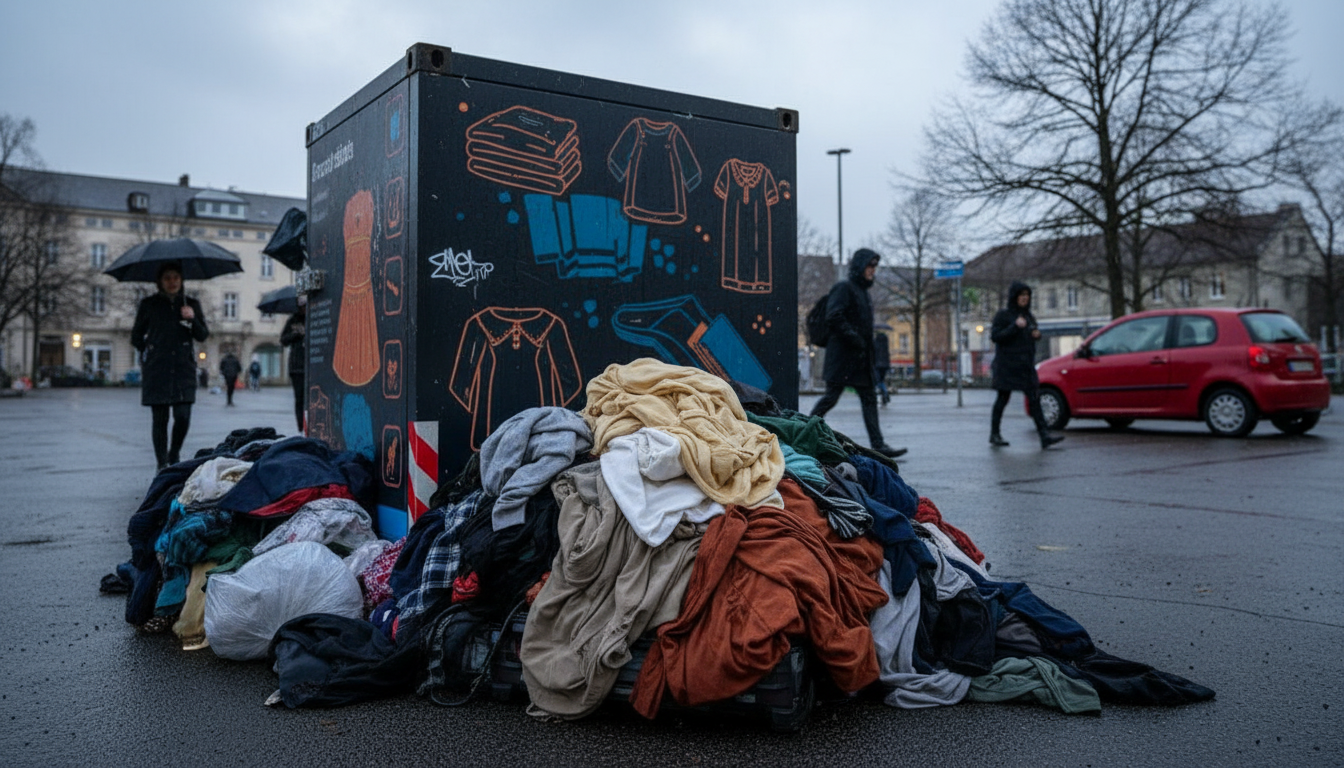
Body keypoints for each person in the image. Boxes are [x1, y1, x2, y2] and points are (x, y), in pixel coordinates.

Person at [809, 248, 906, 458]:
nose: (873, 271)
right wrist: (855, 338)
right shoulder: (844, 288)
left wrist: (864, 343)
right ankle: (805, 430)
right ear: (860, 266)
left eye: (874, 267)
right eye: (870, 266)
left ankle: (878, 444)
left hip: (860, 360)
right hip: (843, 358)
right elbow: (833, 316)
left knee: (869, 399)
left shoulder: (863, 292)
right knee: (831, 398)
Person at [131, 261, 210, 470]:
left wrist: (192, 319)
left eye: (176, 277)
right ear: (160, 282)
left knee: (183, 416)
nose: (172, 282)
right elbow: (136, 336)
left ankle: (174, 452)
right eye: (167, 278)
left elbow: (202, 335)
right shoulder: (149, 304)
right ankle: (162, 464)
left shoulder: (190, 304)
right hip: (158, 368)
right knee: (160, 419)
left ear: (182, 280)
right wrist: (149, 350)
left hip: (183, 367)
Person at [989, 280, 1064, 449]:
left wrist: (1036, 335)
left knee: (1034, 398)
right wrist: (1014, 327)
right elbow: (996, 337)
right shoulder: (1004, 315)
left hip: (1025, 365)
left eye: (1027, 295)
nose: (1025, 298)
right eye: (1022, 295)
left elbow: (1028, 336)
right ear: (1014, 297)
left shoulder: (1029, 316)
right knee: (1002, 399)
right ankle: (994, 434)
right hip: (1007, 365)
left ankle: (1044, 436)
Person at [280, 298, 307, 433]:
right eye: (301, 306)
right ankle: (301, 427)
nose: (304, 308)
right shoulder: (293, 321)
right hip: (297, 366)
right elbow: (283, 340)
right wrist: (295, 334)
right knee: (299, 398)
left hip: (313, 364)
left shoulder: (315, 316)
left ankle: (310, 425)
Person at [873, 331, 892, 406]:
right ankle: (885, 393)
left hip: (877, 365)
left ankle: (874, 395)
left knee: (876, 381)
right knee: (881, 380)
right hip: (885, 366)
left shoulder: (875, 344)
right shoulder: (885, 345)